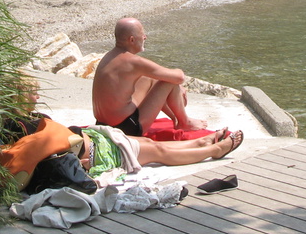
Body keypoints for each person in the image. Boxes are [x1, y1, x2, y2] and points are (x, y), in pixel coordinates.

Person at [92, 17, 206, 137]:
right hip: (127, 128)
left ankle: (176, 118)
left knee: (150, 79)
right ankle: (184, 121)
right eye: (142, 34)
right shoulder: (134, 62)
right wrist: (178, 78)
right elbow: (179, 77)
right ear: (132, 39)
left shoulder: (109, 57)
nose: (145, 37)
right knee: (168, 82)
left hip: (103, 124)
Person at [76, 124, 242, 177]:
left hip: (98, 140)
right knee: (158, 151)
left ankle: (200, 142)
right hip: (101, 153)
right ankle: (215, 150)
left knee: (149, 142)